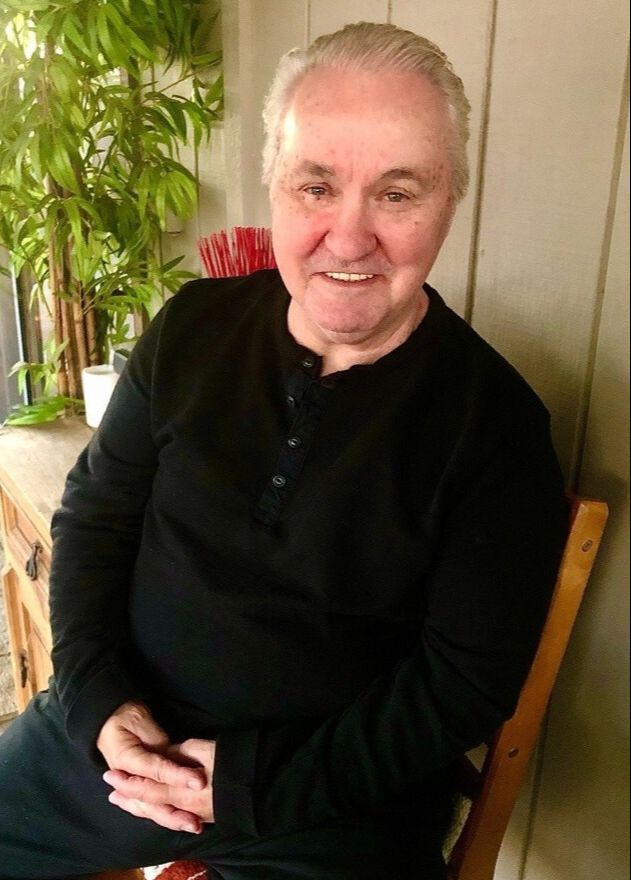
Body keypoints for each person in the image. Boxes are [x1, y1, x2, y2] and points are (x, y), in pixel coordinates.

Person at [0, 21, 567, 880]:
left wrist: (252, 784)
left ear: (450, 200)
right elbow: (95, 521)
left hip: (332, 802)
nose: (349, 237)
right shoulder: (191, 329)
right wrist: (97, 702)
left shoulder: (497, 428)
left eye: (397, 193)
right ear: (272, 185)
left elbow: (463, 684)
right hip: (118, 748)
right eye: (316, 186)